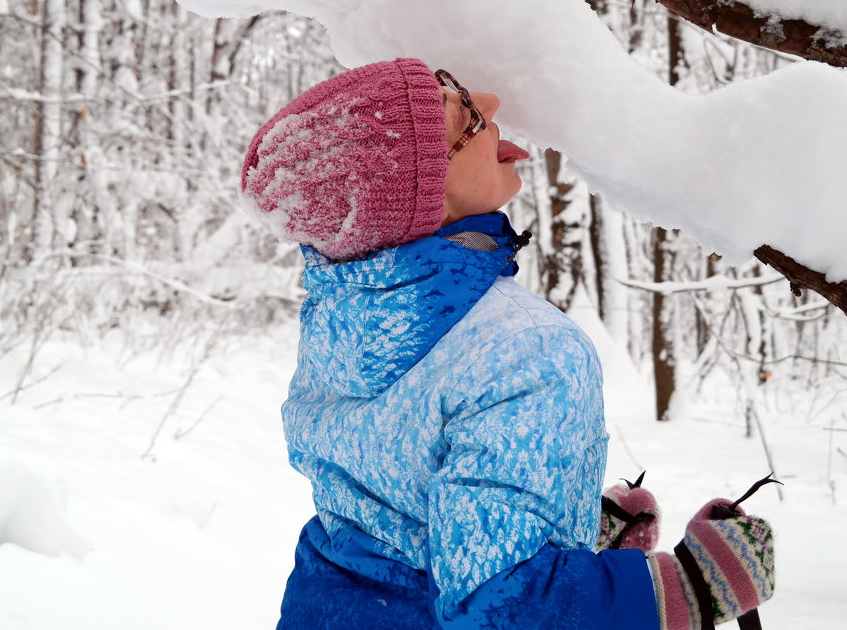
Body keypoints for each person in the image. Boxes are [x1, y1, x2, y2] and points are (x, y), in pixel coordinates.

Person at [241, 58, 775, 629]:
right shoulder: (529, 349)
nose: (491, 104)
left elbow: (394, 504)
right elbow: (503, 604)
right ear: (423, 190)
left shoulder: (341, 321)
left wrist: (551, 515)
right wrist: (690, 586)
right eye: (464, 115)